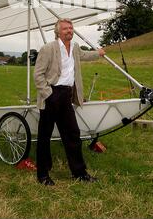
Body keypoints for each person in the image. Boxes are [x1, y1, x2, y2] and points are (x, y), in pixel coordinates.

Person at [34, 18, 105, 186]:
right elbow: (38, 75)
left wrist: (99, 53)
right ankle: (43, 175)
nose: (69, 31)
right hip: (51, 95)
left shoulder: (74, 47)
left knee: (73, 134)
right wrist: (48, 94)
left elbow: (85, 56)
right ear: (58, 31)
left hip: (66, 96)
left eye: (71, 28)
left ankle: (79, 173)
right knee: (45, 136)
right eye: (66, 29)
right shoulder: (48, 48)